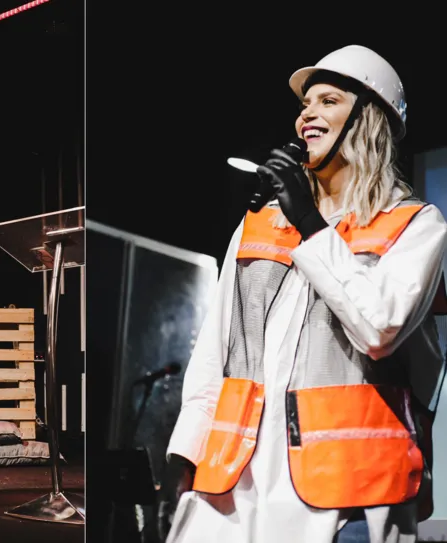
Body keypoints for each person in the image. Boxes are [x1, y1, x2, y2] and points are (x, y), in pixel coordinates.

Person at [157, 45, 447, 543]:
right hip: (236, 487)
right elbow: (215, 353)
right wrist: (183, 455)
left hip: (349, 495)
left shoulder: (416, 226)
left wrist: (311, 226)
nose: (306, 117)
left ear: (368, 120)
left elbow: (378, 328)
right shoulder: (259, 223)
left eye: (328, 102)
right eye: (303, 106)